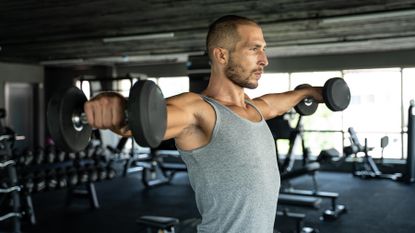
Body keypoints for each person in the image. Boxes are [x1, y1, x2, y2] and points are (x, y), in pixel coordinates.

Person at [84, 15, 323, 233]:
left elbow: (274, 104)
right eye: (254, 49)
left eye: (264, 50)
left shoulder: (252, 108)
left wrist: (309, 93)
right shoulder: (198, 109)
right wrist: (116, 107)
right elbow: (142, 120)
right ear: (221, 55)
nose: (264, 60)